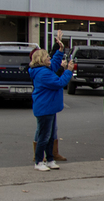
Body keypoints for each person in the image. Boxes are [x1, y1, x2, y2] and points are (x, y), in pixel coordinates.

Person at [29, 38, 74, 171]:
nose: (49, 58)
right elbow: (60, 83)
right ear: (42, 59)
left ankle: (50, 159)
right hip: (44, 108)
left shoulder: (43, 69)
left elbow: (54, 65)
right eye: (47, 56)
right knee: (44, 136)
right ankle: (38, 162)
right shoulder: (43, 73)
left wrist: (60, 51)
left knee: (50, 136)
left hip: (49, 107)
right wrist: (68, 71)